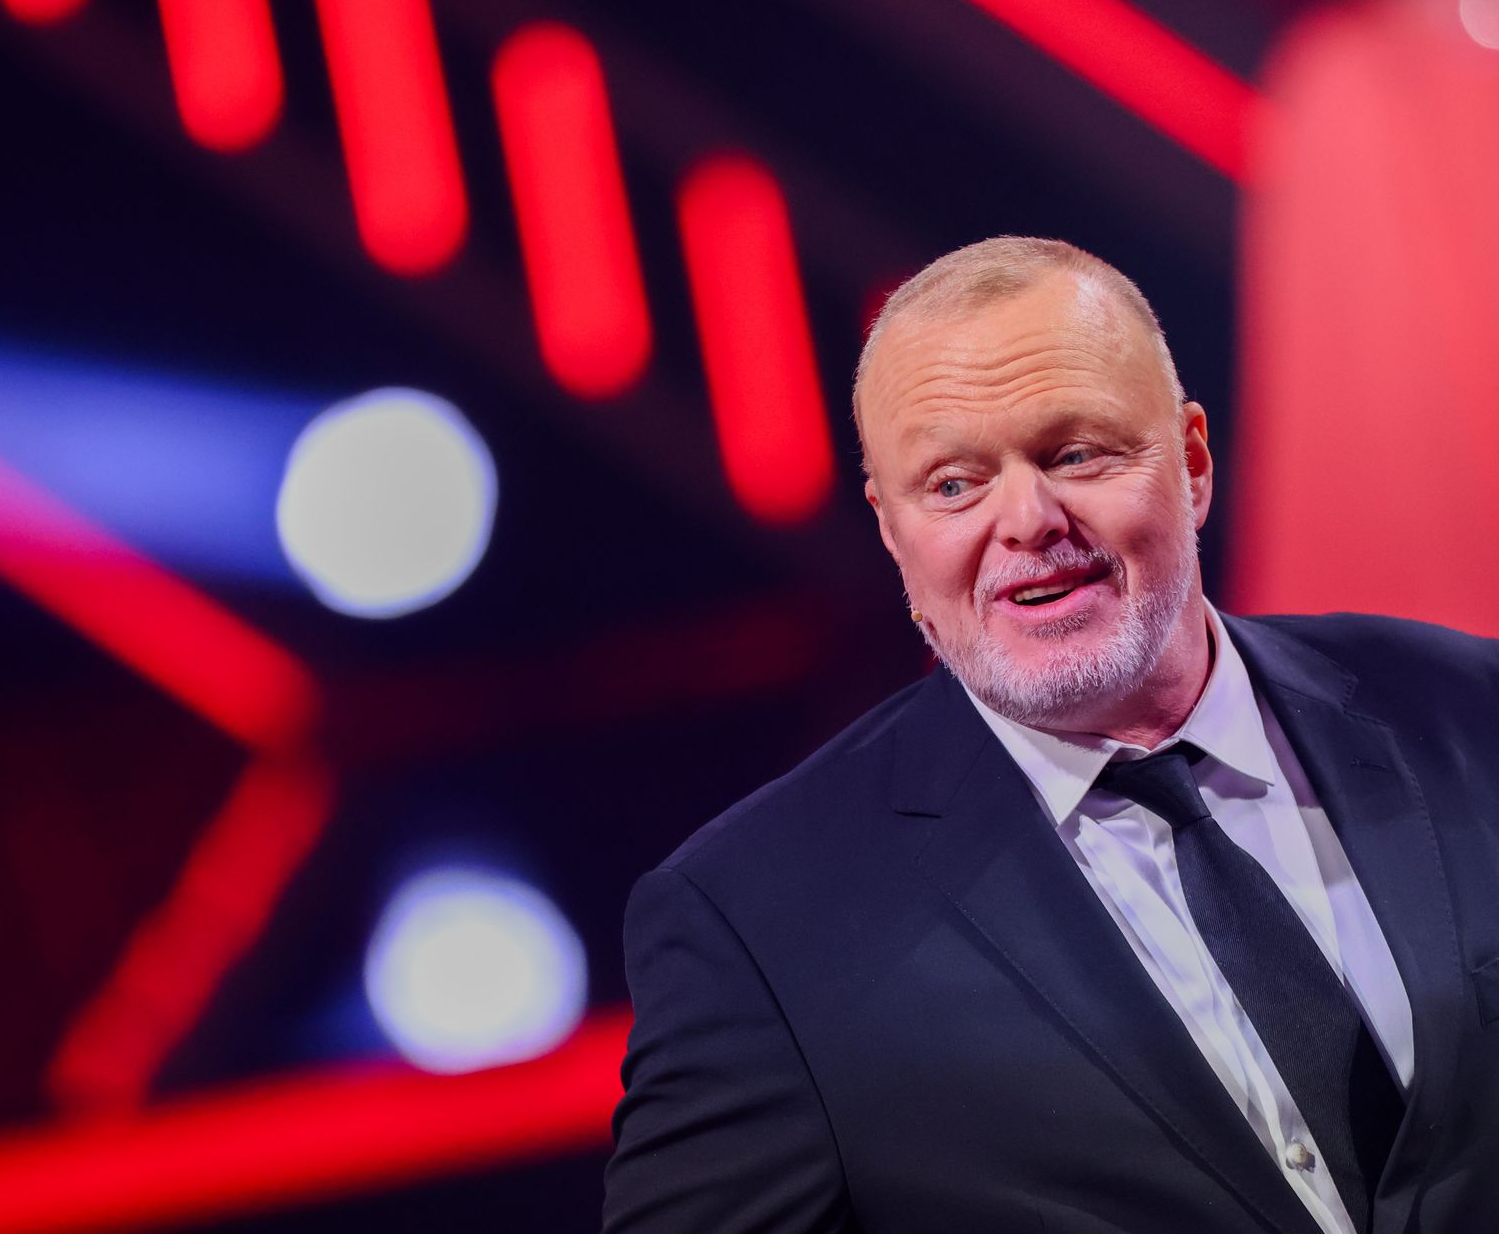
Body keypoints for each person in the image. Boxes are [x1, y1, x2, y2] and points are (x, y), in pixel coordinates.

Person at [603, 237, 1499, 1234]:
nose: (1028, 520)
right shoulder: (758, 924)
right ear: (891, 528)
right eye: (953, 484)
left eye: (1075, 454)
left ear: (1192, 462)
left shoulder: (1470, 713)